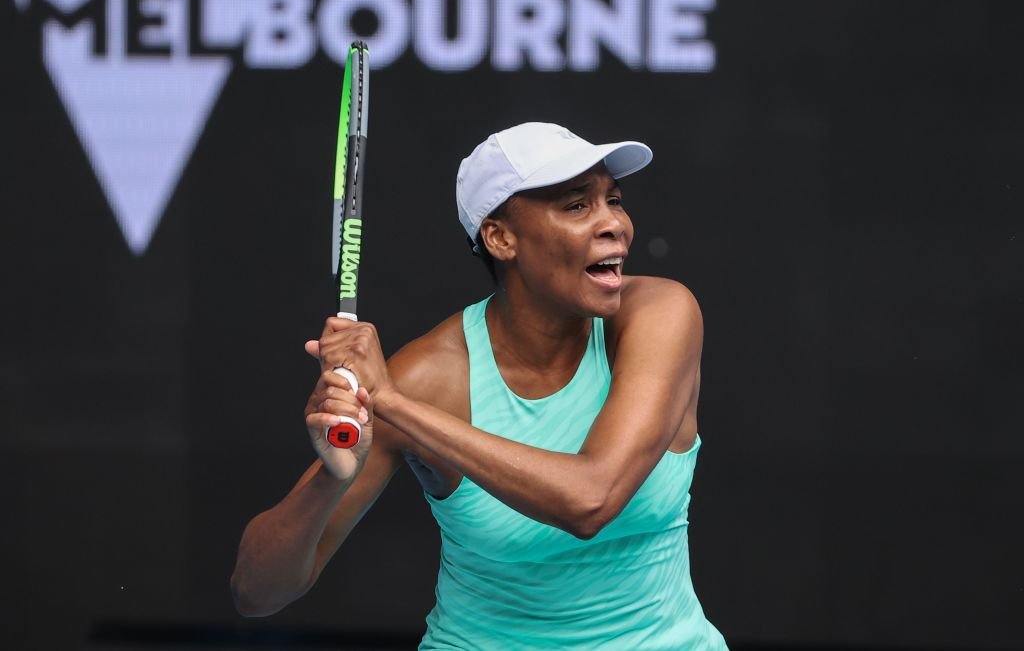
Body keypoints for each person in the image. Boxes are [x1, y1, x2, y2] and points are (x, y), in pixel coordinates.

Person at [231, 122, 728, 649]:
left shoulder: (660, 314)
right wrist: (331, 478)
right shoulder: (429, 378)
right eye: (578, 206)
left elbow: (590, 499)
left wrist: (393, 405)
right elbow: (256, 593)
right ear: (500, 237)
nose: (616, 225)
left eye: (614, 200)